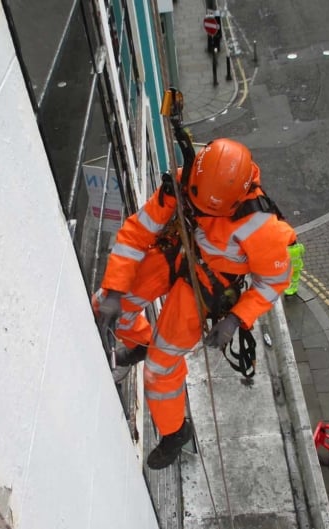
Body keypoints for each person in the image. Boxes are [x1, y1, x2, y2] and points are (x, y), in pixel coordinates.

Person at [94, 138, 298, 469]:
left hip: (208, 282)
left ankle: (175, 432)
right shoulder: (184, 182)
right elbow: (137, 233)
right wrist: (115, 290)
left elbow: (273, 281)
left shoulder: (263, 229)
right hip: (179, 247)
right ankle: (139, 342)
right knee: (111, 300)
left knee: (161, 368)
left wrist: (235, 319)